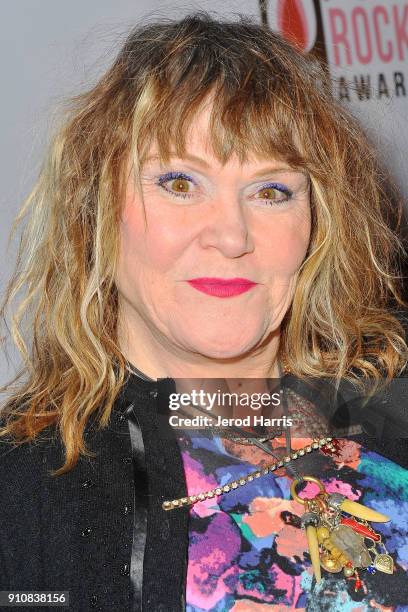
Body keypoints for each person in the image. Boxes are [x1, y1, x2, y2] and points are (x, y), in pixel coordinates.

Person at [1, 12, 408, 612]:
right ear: (95, 214)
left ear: (317, 225)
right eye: (179, 182)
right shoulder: (21, 491)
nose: (231, 234)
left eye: (272, 191)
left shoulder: (388, 434)